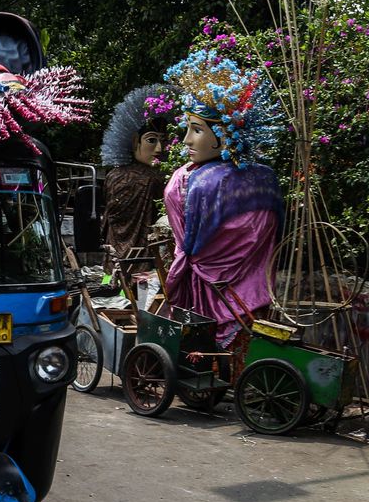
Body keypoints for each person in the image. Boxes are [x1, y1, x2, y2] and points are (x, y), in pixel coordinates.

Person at [162, 49, 283, 348]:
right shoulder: (265, 178)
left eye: (197, 129)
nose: (187, 140)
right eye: (187, 128)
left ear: (225, 135)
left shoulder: (190, 181)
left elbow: (189, 246)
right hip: (258, 293)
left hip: (210, 294)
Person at [99, 85, 177, 270]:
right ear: (135, 142)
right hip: (147, 264)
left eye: (164, 141)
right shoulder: (156, 179)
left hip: (114, 261)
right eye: (151, 140)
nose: (159, 149)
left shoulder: (113, 175)